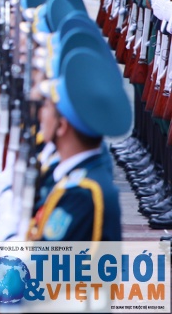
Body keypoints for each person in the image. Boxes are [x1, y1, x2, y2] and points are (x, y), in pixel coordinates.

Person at [29, 46, 131, 241]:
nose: (41, 112)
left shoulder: (83, 194)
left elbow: (43, 264)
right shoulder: (78, 177)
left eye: (48, 106)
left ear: (62, 126)